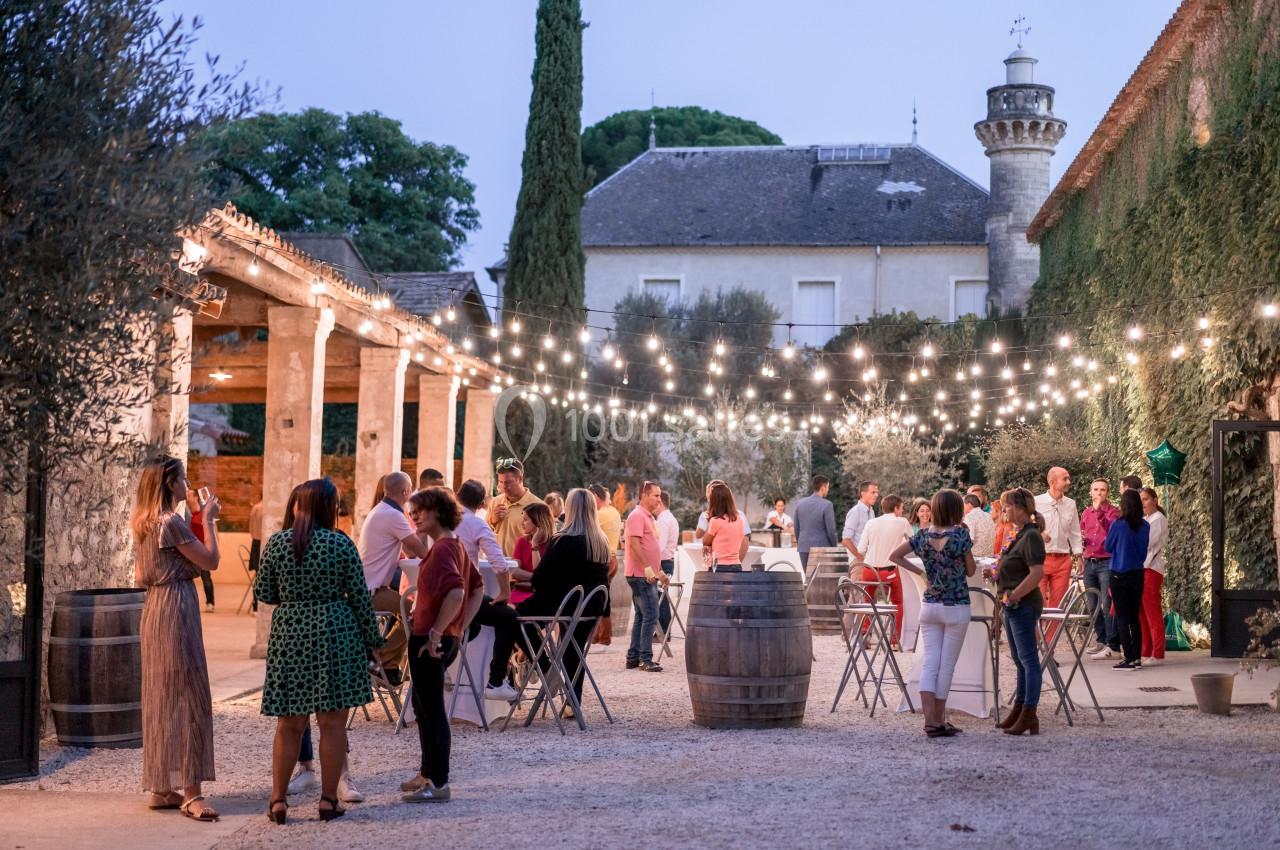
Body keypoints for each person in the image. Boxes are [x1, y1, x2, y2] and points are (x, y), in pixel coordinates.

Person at [257, 478, 383, 824]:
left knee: (289, 724)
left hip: (290, 635)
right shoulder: (340, 544)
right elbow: (359, 597)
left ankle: (278, 801)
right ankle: (328, 800)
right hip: (334, 632)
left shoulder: (277, 544)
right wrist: (374, 642)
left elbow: (265, 593)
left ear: (296, 506)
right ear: (330, 508)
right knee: (332, 724)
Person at [131, 457, 220, 821]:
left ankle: (161, 787)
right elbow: (212, 561)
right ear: (170, 484)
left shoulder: (142, 523)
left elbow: (140, 576)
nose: (188, 484)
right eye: (183, 478)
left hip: (153, 608)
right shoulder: (172, 522)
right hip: (177, 607)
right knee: (189, 694)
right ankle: (192, 793)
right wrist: (210, 520)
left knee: (161, 695)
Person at [400, 487, 484, 803]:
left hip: (429, 640)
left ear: (439, 511)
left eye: (421, 509)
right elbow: (476, 589)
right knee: (423, 707)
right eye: (412, 510)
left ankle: (438, 783)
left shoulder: (446, 549)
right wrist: (459, 627)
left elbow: (458, 593)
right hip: (440, 637)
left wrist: (437, 632)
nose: (414, 515)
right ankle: (427, 773)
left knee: (432, 710)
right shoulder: (453, 545)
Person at [890, 489, 975, 738]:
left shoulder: (923, 535)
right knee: (946, 666)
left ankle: (930, 721)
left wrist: (920, 573)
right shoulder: (960, 535)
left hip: (930, 606)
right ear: (957, 510)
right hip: (956, 605)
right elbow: (970, 571)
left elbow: (894, 556)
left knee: (930, 663)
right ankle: (939, 720)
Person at [515, 488, 611, 705]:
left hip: (565, 604)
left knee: (517, 618)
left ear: (569, 509)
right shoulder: (601, 541)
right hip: (590, 608)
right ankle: (571, 702)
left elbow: (538, 580)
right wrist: (605, 614)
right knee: (573, 648)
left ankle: (548, 670)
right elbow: (604, 581)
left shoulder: (564, 540)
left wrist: (534, 546)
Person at [452, 479, 521, 701]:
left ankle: (444, 670)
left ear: (456, 495)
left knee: (475, 625)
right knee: (509, 617)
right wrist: (505, 593)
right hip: (462, 599)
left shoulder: (441, 520)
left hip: (434, 601)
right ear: (482, 503)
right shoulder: (476, 524)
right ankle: (496, 681)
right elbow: (498, 562)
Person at [358, 470, 429, 684]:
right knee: (418, 616)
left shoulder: (382, 510)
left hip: (368, 588)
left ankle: (387, 667)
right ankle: (378, 661)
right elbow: (420, 550)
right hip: (371, 591)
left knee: (410, 612)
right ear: (406, 491)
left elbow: (410, 550)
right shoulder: (393, 515)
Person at [994, 487, 1045, 736]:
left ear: (1020, 508)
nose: (1004, 510)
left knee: (1028, 661)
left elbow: (1036, 573)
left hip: (1022, 603)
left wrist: (1014, 594)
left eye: (1007, 506)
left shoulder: (1031, 536)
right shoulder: (1020, 534)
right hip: (1012, 603)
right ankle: (1019, 709)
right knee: (1019, 660)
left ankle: (1029, 713)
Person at [855, 494, 913, 646]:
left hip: (869, 570)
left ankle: (865, 634)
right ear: (895, 508)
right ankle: (894, 640)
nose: (902, 511)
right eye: (901, 508)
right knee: (898, 602)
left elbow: (861, 549)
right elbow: (914, 543)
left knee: (868, 600)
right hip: (889, 572)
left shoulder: (871, 523)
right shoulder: (902, 522)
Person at [624, 481, 669, 672]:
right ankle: (645, 659)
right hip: (640, 575)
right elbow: (634, 544)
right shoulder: (637, 516)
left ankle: (633, 657)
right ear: (644, 495)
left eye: (659, 496)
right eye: (656, 495)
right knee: (651, 614)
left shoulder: (648, 517)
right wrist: (648, 569)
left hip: (646, 573)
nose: (659, 499)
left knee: (642, 616)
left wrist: (659, 572)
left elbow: (650, 548)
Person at [1104, 489, 1150, 670]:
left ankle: (1128, 657)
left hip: (1119, 573)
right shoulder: (1145, 525)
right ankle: (1137, 656)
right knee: (1134, 617)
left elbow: (1108, 547)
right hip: (1138, 573)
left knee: (1122, 617)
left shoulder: (1118, 524)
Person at [1081, 478, 1121, 659]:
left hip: (1106, 563)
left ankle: (1111, 643)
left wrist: (1099, 512)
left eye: (1102, 490)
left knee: (1107, 605)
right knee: (1092, 605)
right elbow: (1081, 533)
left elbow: (1111, 529)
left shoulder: (1114, 512)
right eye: (1095, 490)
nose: (1098, 493)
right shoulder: (1085, 513)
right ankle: (1101, 640)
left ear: (1107, 493)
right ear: (1090, 492)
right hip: (1089, 561)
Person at [1034, 467, 1082, 609]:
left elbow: (1075, 532)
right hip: (1039, 558)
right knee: (1038, 604)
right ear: (1052, 482)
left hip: (1062, 560)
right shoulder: (1036, 502)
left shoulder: (1070, 504)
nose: (1069, 482)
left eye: (1068, 478)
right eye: (1065, 479)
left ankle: (1052, 632)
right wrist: (1038, 533)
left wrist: (1079, 556)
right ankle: (1037, 632)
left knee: (1058, 606)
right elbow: (1025, 525)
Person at [1139, 487, 1169, 667]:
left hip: (1152, 568)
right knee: (1141, 613)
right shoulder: (1145, 519)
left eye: (1145, 499)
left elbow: (1148, 542)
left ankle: (1158, 653)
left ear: (1155, 500)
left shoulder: (1158, 519)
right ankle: (1145, 650)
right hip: (1142, 568)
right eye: (1140, 500)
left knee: (1152, 612)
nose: (1143, 503)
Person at [489, 458, 543, 556]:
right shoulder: (495, 502)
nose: (504, 486)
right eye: (501, 482)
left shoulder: (538, 506)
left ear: (520, 478)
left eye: (508, 482)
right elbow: (484, 534)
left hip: (522, 568)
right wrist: (492, 520)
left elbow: (544, 542)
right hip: (497, 566)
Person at [510, 501, 553, 606]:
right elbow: (514, 571)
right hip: (520, 591)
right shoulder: (522, 541)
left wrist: (534, 544)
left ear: (538, 522)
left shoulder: (554, 544)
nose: (521, 523)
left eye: (525, 520)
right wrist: (536, 577)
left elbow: (546, 577)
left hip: (542, 595)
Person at [702, 481, 750, 571]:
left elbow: (705, 542)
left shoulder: (715, 521)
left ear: (715, 502)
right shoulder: (740, 519)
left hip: (719, 567)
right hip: (736, 566)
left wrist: (709, 520)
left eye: (710, 499)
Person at [793, 475, 838, 569]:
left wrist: (801, 542)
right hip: (821, 548)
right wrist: (834, 547)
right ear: (823, 488)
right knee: (822, 581)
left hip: (803, 547)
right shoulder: (827, 505)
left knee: (808, 579)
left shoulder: (800, 503)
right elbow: (831, 530)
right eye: (828, 487)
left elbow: (796, 528)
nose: (828, 490)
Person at [185, 486, 216, 613]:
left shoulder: (202, 515)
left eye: (190, 495)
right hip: (190, 551)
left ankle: (210, 602)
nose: (187, 498)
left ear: (196, 497)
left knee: (206, 577)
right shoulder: (187, 514)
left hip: (202, 551)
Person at [655, 490, 680, 636]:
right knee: (662, 597)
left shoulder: (663, 520)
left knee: (660, 598)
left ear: (660, 502)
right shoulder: (671, 518)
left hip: (662, 562)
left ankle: (663, 632)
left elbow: (659, 546)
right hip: (668, 560)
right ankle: (663, 632)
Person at [589, 483, 623, 580]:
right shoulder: (615, 512)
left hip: (603, 560)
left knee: (597, 591)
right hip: (613, 560)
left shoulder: (598, 514)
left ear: (595, 496)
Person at [841, 481, 880, 561]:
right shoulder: (855, 512)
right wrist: (859, 557)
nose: (876, 495)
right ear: (863, 494)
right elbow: (846, 540)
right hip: (858, 562)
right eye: (873, 492)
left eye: (877, 492)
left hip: (870, 560)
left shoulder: (871, 511)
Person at [962, 494, 996, 558]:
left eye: (963, 505)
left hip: (976, 559)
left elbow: (969, 540)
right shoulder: (988, 515)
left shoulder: (970, 517)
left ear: (969, 505)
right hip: (989, 557)